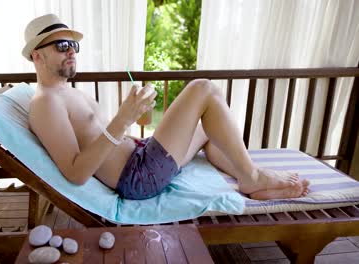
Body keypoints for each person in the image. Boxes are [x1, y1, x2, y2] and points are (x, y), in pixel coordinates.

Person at [25, 14, 309, 201]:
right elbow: (76, 174)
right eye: (62, 45)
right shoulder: (46, 103)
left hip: (139, 155)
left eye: (73, 44)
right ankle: (253, 177)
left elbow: (101, 140)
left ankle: (245, 174)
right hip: (137, 176)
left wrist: (130, 121)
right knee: (202, 88)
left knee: (207, 128)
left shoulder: (65, 93)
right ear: (37, 56)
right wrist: (123, 119)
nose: (72, 51)